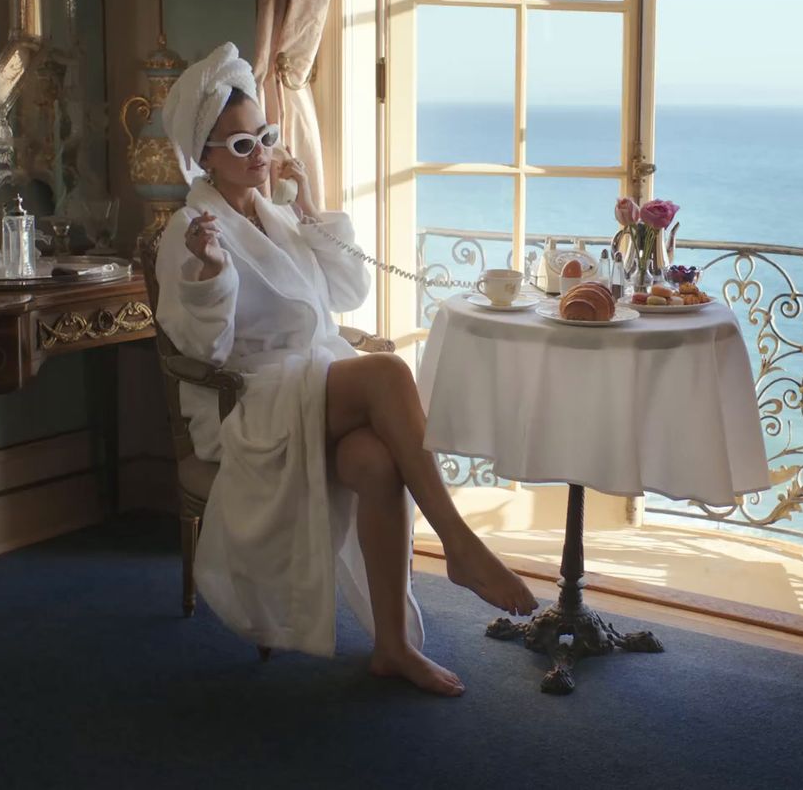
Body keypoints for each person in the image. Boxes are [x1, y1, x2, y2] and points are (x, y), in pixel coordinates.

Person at [155, 43, 538, 696]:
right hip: (249, 398)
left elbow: (349, 291)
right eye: (241, 145)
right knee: (387, 373)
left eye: (265, 137)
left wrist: (310, 203)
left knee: (378, 465)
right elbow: (204, 349)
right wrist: (210, 275)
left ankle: (391, 647)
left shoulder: (275, 214)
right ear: (207, 154)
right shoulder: (190, 229)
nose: (260, 154)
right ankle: (459, 543)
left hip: (311, 385)